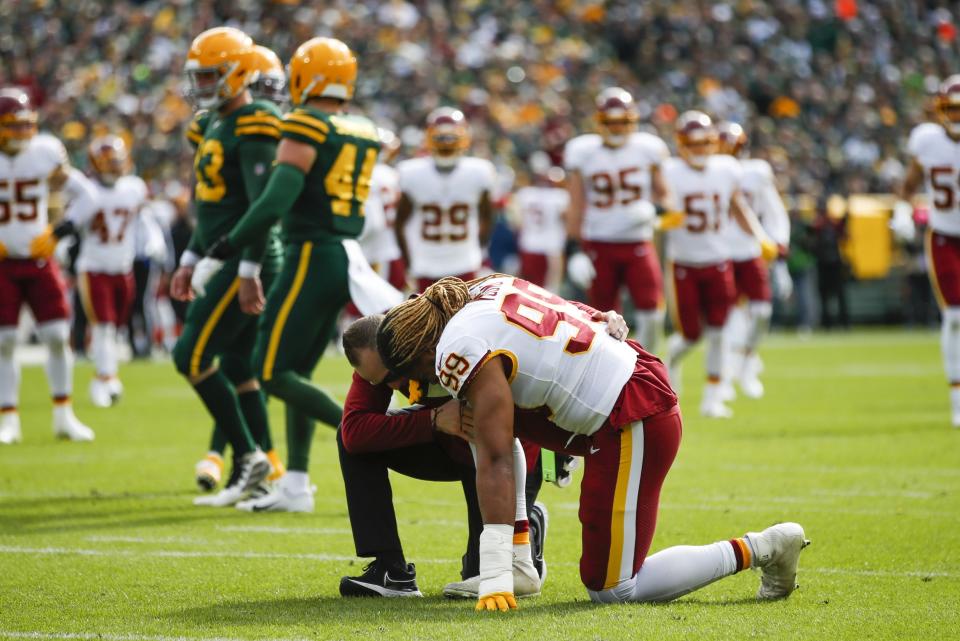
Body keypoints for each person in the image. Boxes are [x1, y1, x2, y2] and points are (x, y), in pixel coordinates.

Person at [375, 274, 809, 612]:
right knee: (488, 420)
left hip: (631, 414)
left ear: (420, 351)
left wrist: (492, 572)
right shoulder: (482, 290)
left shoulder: (455, 347)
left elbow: (494, 458)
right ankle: (520, 564)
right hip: (623, 387)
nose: (418, 388)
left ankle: (766, 547)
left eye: (413, 377)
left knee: (614, 590)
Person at [199, 37, 383, 512]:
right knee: (297, 371)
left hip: (312, 254)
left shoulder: (307, 122)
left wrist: (223, 246)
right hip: (343, 254)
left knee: (270, 371)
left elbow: (274, 202)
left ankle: (378, 434)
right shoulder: (362, 127)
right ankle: (297, 484)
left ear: (306, 76)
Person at [337, 315, 548, 599]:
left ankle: (525, 529)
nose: (394, 384)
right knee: (351, 441)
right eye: (381, 381)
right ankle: (391, 570)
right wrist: (432, 420)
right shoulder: (379, 353)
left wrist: (598, 317)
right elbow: (355, 431)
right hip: (451, 444)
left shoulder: (451, 329)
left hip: (507, 448)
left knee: (483, 576)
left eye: (390, 374)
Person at [169, 27, 283, 505]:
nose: (204, 84)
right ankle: (260, 468)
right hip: (219, 253)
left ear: (239, 72)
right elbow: (211, 206)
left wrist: (248, 269)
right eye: (200, 75)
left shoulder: (256, 120)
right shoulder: (212, 124)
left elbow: (260, 209)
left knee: (190, 356)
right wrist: (189, 258)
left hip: (244, 257)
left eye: (214, 74)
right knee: (236, 362)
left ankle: (249, 458)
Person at [661, 111, 778, 418]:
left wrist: (760, 236)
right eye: (694, 144)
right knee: (690, 335)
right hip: (684, 264)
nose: (701, 150)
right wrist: (662, 218)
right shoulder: (669, 171)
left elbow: (737, 205)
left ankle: (712, 398)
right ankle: (670, 360)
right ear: (682, 144)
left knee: (719, 331)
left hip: (718, 261)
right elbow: (655, 207)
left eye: (706, 143)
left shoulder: (726, 169)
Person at [0, 86, 96, 444]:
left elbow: (87, 195)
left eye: (26, 125)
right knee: (5, 341)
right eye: (12, 125)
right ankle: (8, 418)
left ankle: (63, 414)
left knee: (57, 336)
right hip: (3, 264)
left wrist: (60, 232)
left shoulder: (43, 153)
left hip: (41, 260)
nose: (21, 133)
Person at [563, 87, 674, 352]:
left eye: (622, 122)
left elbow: (668, 197)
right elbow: (576, 204)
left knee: (652, 311)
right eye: (610, 123)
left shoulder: (648, 148)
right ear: (600, 122)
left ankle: (649, 365)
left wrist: (654, 210)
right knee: (602, 317)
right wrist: (573, 248)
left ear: (632, 121)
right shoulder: (583, 151)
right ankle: (614, 370)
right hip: (599, 243)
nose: (616, 129)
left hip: (637, 241)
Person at [66, 135, 156, 407]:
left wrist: (152, 242)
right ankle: (107, 379)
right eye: (107, 163)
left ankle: (103, 377)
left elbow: (142, 220)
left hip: (123, 267)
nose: (113, 168)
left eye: (116, 162)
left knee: (114, 327)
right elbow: (69, 225)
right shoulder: (88, 192)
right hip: (94, 267)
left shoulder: (134, 188)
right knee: (103, 326)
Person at [895, 74, 960, 427]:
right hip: (945, 235)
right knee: (954, 316)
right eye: (951, 110)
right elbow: (908, 184)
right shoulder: (927, 139)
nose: (956, 117)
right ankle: (957, 399)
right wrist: (903, 211)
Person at [716, 122, 791, 400]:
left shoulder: (755, 173)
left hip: (750, 251)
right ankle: (725, 374)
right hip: (720, 254)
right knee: (726, 319)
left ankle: (748, 360)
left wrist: (779, 246)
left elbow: (774, 211)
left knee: (761, 312)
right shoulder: (711, 173)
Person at [395, 107, 495, 291]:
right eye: (441, 137)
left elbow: (487, 218)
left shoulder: (479, 172)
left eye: (451, 136)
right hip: (427, 265)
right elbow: (400, 222)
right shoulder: (411, 172)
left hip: (462, 263)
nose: (447, 142)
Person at [513, 154, 568, 291]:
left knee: (528, 292)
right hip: (550, 249)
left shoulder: (524, 194)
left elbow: (517, 223)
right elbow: (568, 220)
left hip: (528, 246)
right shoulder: (560, 196)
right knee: (551, 294)